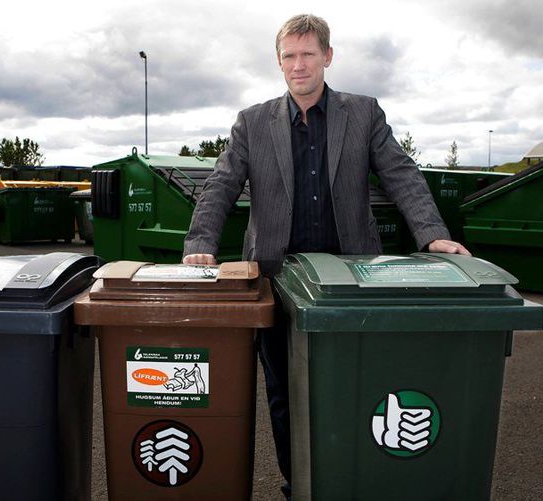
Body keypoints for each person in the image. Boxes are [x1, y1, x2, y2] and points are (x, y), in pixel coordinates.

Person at [182, 13, 470, 498]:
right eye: (289, 56)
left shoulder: (363, 113)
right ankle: (299, 484)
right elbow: (221, 185)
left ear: (327, 57)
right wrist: (200, 245)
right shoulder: (252, 123)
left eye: (308, 55)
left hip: (352, 285)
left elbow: (401, 173)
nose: (299, 65)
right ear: (279, 62)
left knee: (355, 387)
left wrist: (432, 235)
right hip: (276, 281)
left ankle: (349, 477)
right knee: (283, 395)